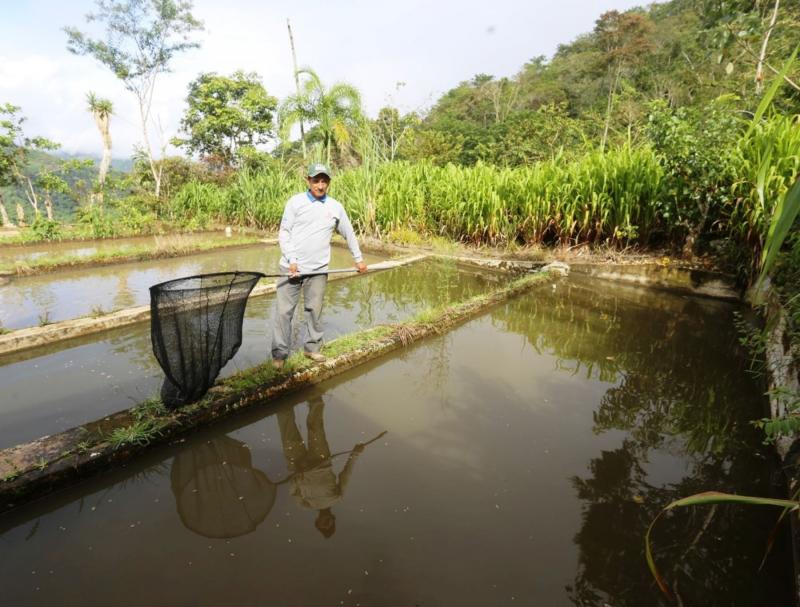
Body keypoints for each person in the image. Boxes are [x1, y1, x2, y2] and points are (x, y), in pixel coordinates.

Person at [271, 163, 367, 369]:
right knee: (283, 312)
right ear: (308, 181)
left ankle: (312, 348)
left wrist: (358, 259)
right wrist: (292, 260)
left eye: (324, 181)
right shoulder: (295, 203)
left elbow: (349, 234)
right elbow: (284, 232)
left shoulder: (335, 207)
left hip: (319, 270)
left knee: (314, 310)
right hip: (291, 269)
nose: (320, 185)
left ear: (329, 183)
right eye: (316, 180)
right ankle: (279, 354)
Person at [277, 396, 365, 539]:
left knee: (288, 433)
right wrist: (354, 455)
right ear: (333, 519)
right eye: (329, 524)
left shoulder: (305, 504)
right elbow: (345, 475)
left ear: (317, 522)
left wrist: (296, 479)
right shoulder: (337, 498)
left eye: (322, 524)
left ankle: (282, 400)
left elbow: (293, 490)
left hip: (297, 466)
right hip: (321, 460)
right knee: (315, 427)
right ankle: (314, 396)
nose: (325, 522)